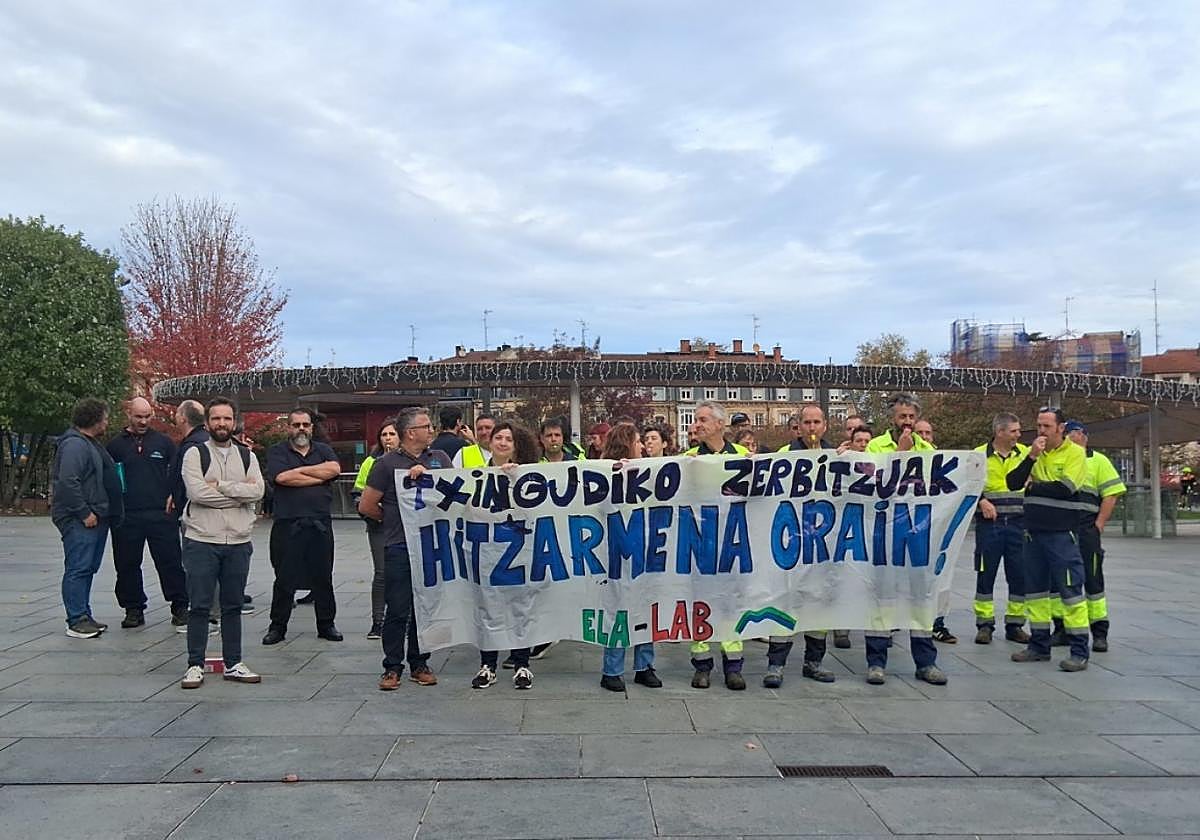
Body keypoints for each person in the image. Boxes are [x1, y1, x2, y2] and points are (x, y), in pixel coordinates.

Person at [358, 408, 449, 689]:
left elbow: (455, 490)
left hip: (432, 544)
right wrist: (395, 521)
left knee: (425, 608)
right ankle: (392, 666)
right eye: (426, 426)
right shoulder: (385, 464)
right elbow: (367, 505)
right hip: (399, 545)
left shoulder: (439, 458)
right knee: (398, 608)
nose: (431, 430)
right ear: (410, 433)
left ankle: (419, 662)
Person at [178, 397, 263, 689]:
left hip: (238, 541)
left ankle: (233, 662)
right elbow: (197, 493)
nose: (222, 424)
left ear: (234, 422)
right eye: (216, 418)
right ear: (207, 422)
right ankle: (194, 664)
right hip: (202, 540)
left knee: (232, 605)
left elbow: (258, 491)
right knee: (199, 605)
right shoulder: (194, 454)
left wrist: (223, 487)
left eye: (227, 418)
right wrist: (239, 495)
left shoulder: (247, 456)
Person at [863, 394, 947, 685]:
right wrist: (900, 453)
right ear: (893, 418)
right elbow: (875, 486)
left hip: (917, 533)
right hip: (885, 533)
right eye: (902, 417)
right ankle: (876, 662)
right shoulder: (876, 447)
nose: (907, 422)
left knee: (921, 598)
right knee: (882, 599)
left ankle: (926, 662)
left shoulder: (927, 449)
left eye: (912, 417)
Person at [1007, 408, 1091, 672]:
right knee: (1035, 594)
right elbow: (1013, 482)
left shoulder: (1075, 453)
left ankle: (1079, 651)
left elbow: (1066, 488)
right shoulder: (1033, 453)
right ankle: (1039, 646)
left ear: (1060, 428)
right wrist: (1031, 457)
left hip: (1061, 534)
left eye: (1046, 426)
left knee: (1070, 592)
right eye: (1039, 425)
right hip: (1033, 533)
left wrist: (1034, 487)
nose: (1041, 431)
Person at [765, 404, 839, 684]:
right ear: (799, 426)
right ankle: (776, 664)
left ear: (825, 426)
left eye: (816, 422)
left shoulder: (837, 456)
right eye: (807, 422)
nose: (812, 427)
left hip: (823, 545)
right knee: (785, 603)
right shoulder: (785, 455)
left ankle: (813, 662)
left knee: (819, 606)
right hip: (791, 544)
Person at [471, 419, 543, 690]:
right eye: (498, 437)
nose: (502, 443)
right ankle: (487, 666)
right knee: (488, 608)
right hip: (487, 553)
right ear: (490, 443)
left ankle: (522, 664)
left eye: (508, 439)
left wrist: (517, 480)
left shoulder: (526, 476)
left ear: (516, 446)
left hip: (519, 554)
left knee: (520, 608)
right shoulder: (475, 475)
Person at [262, 408, 343, 645]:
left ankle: (326, 624)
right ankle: (277, 627)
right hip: (288, 524)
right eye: (296, 424)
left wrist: (298, 471)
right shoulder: (277, 451)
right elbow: (282, 478)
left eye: (305, 425)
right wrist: (319, 476)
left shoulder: (323, 450)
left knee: (323, 577)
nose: (301, 429)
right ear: (288, 427)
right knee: (284, 579)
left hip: (320, 523)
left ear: (311, 427)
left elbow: (334, 470)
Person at [684, 401, 750, 690]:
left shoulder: (744, 456)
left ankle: (733, 666)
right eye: (696, 420)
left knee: (731, 602)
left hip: (734, 541)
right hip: (700, 541)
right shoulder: (688, 459)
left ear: (720, 424)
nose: (696, 424)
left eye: (702, 420)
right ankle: (702, 665)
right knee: (699, 603)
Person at [106, 397, 188, 630]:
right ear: (129, 415)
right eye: (138, 417)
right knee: (126, 563)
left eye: (147, 416)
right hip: (127, 515)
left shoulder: (164, 443)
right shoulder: (115, 446)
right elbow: (108, 478)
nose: (143, 421)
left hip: (160, 514)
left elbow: (179, 472)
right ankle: (133, 608)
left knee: (170, 561)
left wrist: (175, 495)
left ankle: (180, 606)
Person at [51, 398, 122, 639]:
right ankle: (76, 619)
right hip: (81, 518)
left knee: (87, 567)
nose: (107, 422)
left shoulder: (87, 443)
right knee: (79, 567)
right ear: (95, 420)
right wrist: (84, 512)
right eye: (105, 418)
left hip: (96, 515)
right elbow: (67, 481)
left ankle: (83, 614)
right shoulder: (75, 445)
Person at [598, 424, 662, 691]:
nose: (642, 446)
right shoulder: (603, 472)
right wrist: (614, 475)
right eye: (637, 442)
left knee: (647, 607)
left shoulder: (650, 470)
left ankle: (644, 666)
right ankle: (611, 670)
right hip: (617, 552)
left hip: (646, 550)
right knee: (618, 610)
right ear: (625, 445)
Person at [1063, 420, 1126, 653]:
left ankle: (1099, 632)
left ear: (1084, 435)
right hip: (1062, 528)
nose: (1069, 437)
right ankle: (1063, 629)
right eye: (1066, 433)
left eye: (1072, 432)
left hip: (1087, 529)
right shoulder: (1060, 458)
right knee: (1062, 580)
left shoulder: (1098, 460)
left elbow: (1111, 494)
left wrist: (1099, 524)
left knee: (1093, 579)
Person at [972, 413, 1031, 645]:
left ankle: (1015, 625)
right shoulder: (978, 455)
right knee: (986, 573)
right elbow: (967, 485)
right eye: (1014, 431)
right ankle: (984, 624)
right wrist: (981, 501)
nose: (1019, 435)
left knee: (1019, 575)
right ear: (1000, 432)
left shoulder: (1025, 453)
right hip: (990, 525)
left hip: (1019, 523)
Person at [353, 419, 400, 639]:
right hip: (379, 525)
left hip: (404, 527)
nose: (388, 438)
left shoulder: (408, 461)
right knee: (381, 573)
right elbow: (358, 495)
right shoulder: (371, 462)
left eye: (392, 434)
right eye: (384, 435)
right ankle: (378, 622)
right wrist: (375, 513)